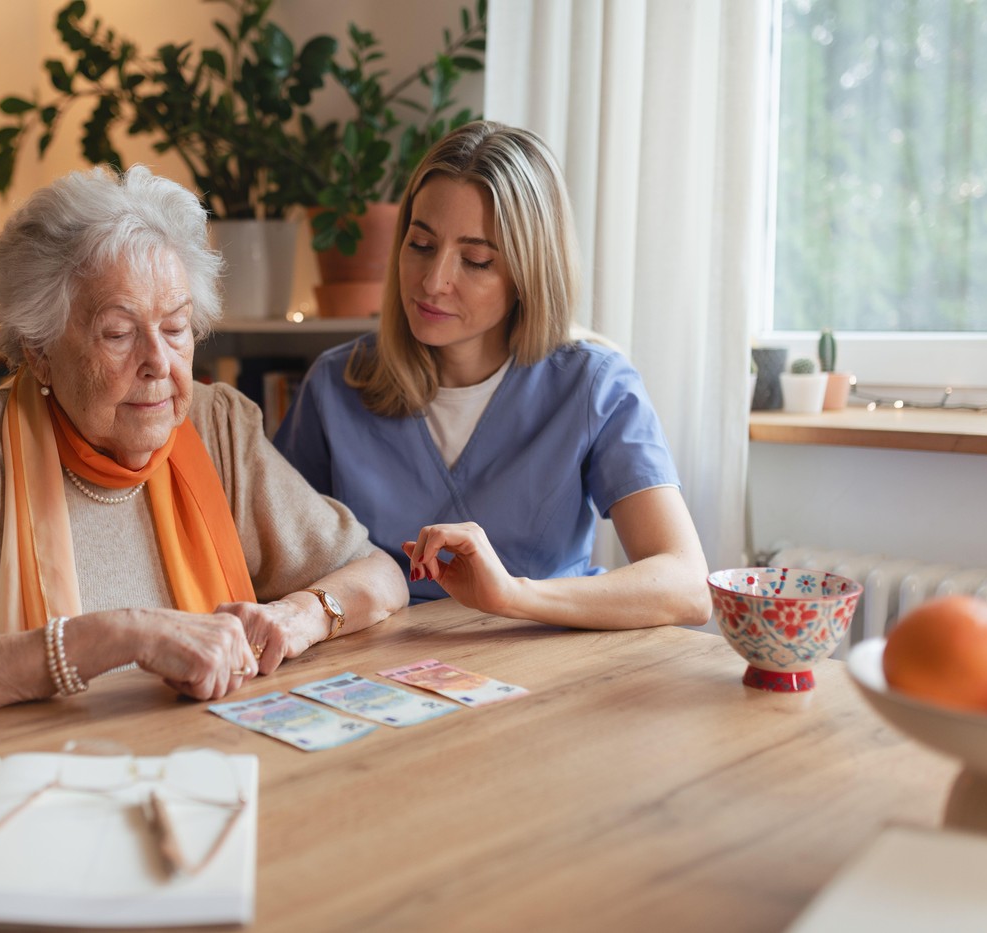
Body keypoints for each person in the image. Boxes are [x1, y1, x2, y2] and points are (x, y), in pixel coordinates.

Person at [0, 165, 408, 732]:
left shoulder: (216, 424)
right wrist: (114, 636)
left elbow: (379, 574)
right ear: (39, 351)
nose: (159, 363)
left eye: (175, 328)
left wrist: (298, 616)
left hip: (209, 758)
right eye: (118, 333)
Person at [273, 121, 710, 630]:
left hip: (546, 656)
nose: (433, 281)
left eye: (476, 260)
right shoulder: (335, 385)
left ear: (528, 274)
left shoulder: (596, 387)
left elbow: (686, 586)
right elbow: (271, 557)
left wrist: (513, 595)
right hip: (380, 664)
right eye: (421, 244)